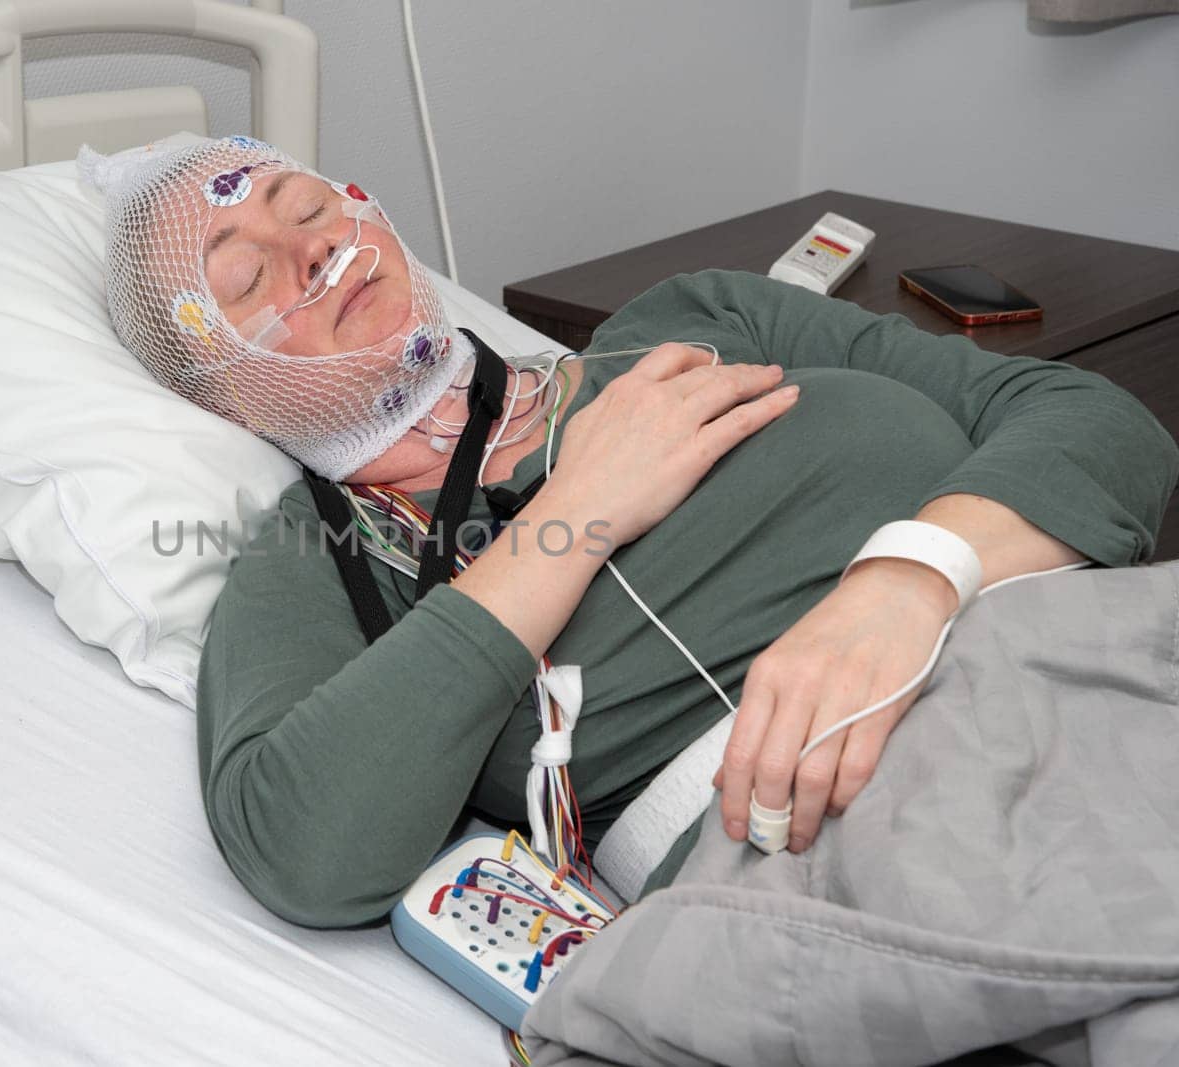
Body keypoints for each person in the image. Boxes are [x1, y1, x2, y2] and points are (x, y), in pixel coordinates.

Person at [81, 136, 1178, 928]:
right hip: (853, 836)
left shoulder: (697, 319)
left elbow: (1097, 422)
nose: (312, 250)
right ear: (224, 399)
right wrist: (579, 509)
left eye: (305, 205)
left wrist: (905, 582)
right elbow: (303, 848)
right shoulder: (324, 558)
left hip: (1083, 657)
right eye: (246, 273)